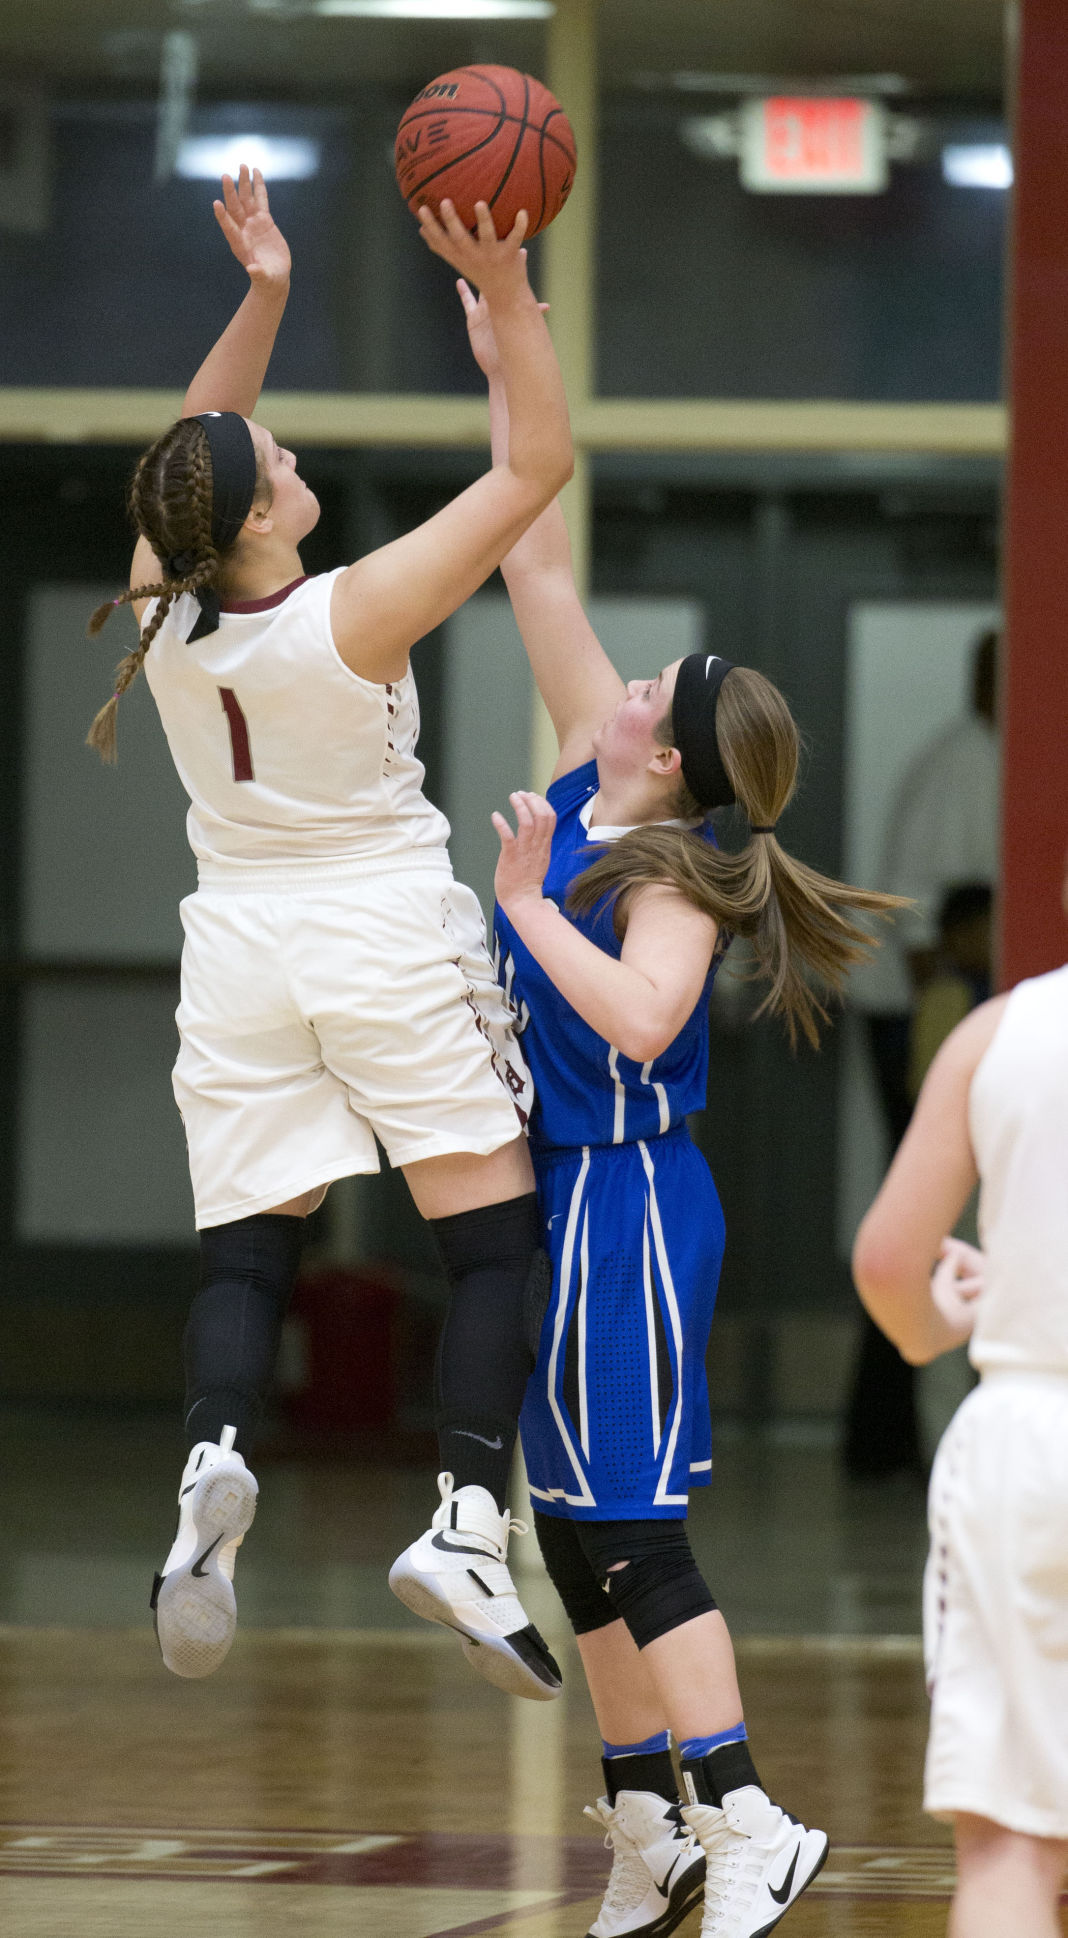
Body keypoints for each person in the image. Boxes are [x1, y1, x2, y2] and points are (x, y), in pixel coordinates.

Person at [445, 281, 902, 1938]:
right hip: (567, 1197)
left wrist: (524, 901)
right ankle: (647, 1822)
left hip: (632, 1203)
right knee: (572, 1529)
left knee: (635, 1527)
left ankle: (750, 1809)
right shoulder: (587, 759)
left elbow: (640, 1012)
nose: (627, 680)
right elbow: (533, 551)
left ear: (678, 751)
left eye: (654, 686)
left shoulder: (673, 872)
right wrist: (508, 338)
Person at [87, 166, 572, 1696]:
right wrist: (503, 301)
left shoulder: (166, 607)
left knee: (246, 1255)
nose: (285, 448)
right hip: (374, 928)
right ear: (259, 518)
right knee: (494, 1245)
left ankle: (211, 1468)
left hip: (238, 945)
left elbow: (190, 456)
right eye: (276, 456)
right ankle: (465, 1517)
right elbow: (539, 463)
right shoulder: (351, 610)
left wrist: (269, 295)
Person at [852, 860, 1068, 1938]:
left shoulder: (1000, 1033)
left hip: (1031, 1440)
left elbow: (892, 1269)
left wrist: (956, 1317)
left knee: (1009, 1854)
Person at [843, 628, 1000, 1482]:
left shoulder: (993, 758)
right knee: (926, 1222)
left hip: (936, 1014)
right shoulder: (962, 766)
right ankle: (891, 1441)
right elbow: (924, 934)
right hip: (917, 1018)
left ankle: (891, 1440)